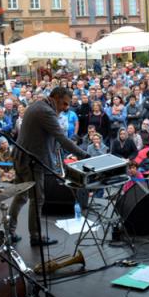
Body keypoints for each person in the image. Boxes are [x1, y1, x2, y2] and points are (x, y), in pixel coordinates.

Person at [8, 87, 89, 246]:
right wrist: (84, 155)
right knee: (37, 199)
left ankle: (9, 231)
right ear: (56, 98)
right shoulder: (46, 111)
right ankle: (36, 236)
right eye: (64, 104)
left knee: (21, 196)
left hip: (21, 158)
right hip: (31, 161)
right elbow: (61, 138)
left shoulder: (37, 105)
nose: (66, 108)